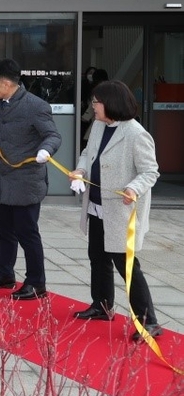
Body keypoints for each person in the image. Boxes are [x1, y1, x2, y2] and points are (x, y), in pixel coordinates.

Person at [69, 80, 162, 340]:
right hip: (97, 205)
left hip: (122, 212)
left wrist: (133, 188)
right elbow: (88, 153)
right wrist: (80, 170)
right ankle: (102, 305)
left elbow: (150, 171)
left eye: (96, 102)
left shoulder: (136, 134)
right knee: (97, 258)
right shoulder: (99, 126)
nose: (93, 107)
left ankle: (149, 321)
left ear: (111, 103)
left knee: (128, 266)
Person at [0, 58, 62, 300]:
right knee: (3, 230)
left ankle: (36, 282)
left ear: (6, 83)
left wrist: (45, 151)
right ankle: (5, 273)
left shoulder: (36, 106)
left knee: (27, 233)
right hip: (1, 180)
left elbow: (53, 135)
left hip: (25, 181)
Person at [80, 68, 109, 146]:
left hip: (96, 125)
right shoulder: (110, 90)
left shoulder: (98, 91)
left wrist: (84, 117)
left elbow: (91, 109)